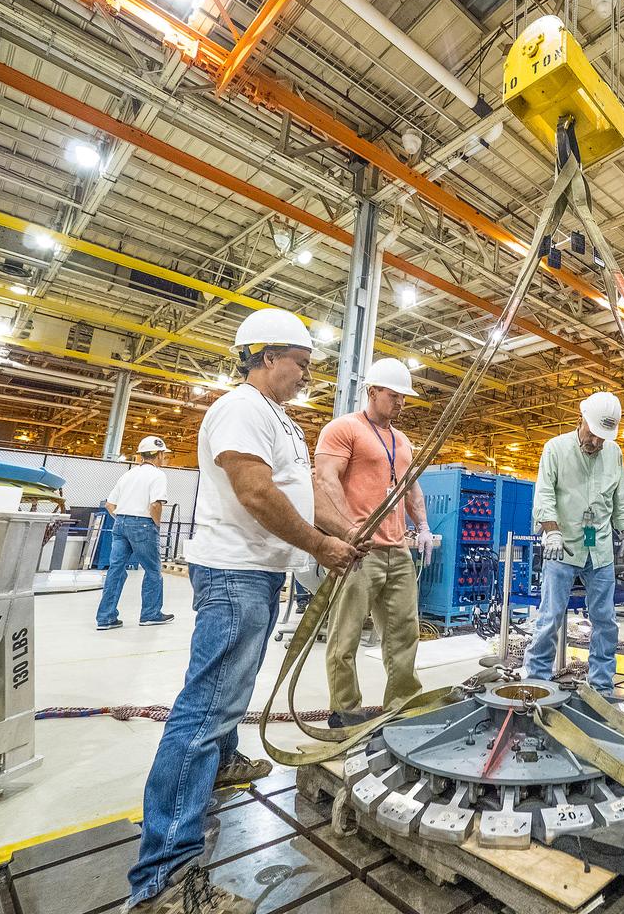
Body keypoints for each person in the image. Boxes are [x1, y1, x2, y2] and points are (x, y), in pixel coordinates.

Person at [126, 308, 364, 914]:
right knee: (203, 710)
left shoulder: (278, 418)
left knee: (225, 697)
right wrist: (319, 547)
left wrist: (352, 533)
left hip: (255, 574)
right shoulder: (241, 408)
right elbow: (255, 492)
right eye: (300, 365)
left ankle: (225, 760)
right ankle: (163, 882)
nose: (305, 377)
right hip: (233, 573)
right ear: (264, 356)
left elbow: (299, 498)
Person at [314, 357, 432, 728]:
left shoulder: (403, 440)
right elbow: (326, 479)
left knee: (403, 633)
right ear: (372, 392)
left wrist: (423, 526)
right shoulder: (343, 429)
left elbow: (410, 487)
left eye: (404, 398)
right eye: (394, 395)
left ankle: (402, 703)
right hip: (359, 550)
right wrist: (348, 529)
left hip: (397, 550)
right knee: (345, 636)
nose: (401, 403)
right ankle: (345, 710)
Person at [525, 391, 624, 694]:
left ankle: (601, 685)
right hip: (563, 546)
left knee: (605, 621)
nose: (597, 443)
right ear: (581, 419)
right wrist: (552, 531)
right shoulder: (555, 449)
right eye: (593, 435)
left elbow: (620, 497)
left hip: (599, 548)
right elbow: (545, 494)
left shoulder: (613, 452)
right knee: (550, 618)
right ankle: (536, 680)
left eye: (603, 438)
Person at [95, 436, 174, 630]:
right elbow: (155, 504)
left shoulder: (128, 475)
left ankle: (105, 618)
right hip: (144, 524)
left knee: (116, 570)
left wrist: (123, 521)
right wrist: (155, 525)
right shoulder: (158, 475)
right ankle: (150, 614)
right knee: (153, 570)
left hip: (120, 522)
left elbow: (109, 504)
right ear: (159, 454)